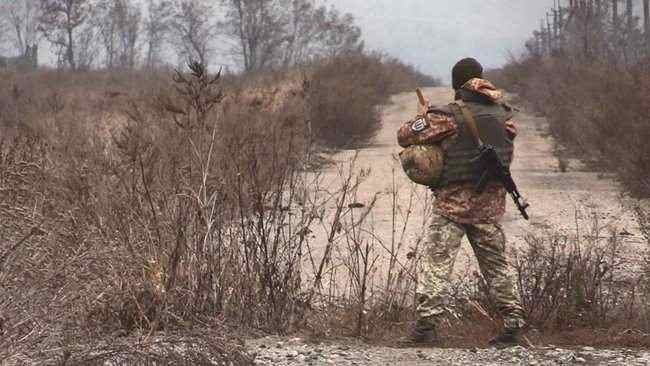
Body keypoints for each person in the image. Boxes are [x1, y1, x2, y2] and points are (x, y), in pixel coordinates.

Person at [398, 58, 526, 348]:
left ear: (457, 85)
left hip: (452, 204)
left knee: (437, 264)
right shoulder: (504, 115)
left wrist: (423, 115)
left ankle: (425, 329)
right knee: (497, 266)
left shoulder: (447, 116)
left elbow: (405, 136)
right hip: (490, 204)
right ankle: (513, 324)